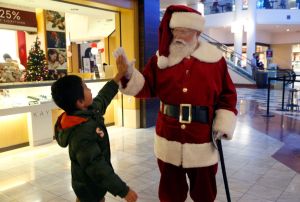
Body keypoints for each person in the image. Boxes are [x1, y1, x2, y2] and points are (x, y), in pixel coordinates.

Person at [114, 5, 237, 202]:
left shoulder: (216, 60)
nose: (177, 35)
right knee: (170, 192)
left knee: (204, 192)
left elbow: (228, 95)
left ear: (196, 32)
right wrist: (129, 75)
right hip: (168, 135)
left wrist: (222, 123)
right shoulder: (161, 59)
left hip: (202, 138)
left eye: (183, 31)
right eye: (174, 31)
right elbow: (146, 87)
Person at [51, 64, 138, 202]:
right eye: (85, 87)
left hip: (95, 188)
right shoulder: (81, 134)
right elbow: (97, 167)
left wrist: (118, 76)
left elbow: (103, 97)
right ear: (79, 102)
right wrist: (123, 190)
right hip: (89, 191)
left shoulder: (88, 112)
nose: (89, 88)